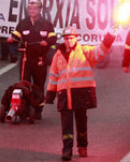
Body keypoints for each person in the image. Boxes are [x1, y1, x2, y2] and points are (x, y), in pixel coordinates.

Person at [45, 26, 114, 161]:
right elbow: (53, 75)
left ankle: (82, 146)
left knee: (81, 122)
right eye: (66, 38)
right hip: (64, 95)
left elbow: (100, 52)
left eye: (71, 38)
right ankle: (67, 150)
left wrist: (109, 37)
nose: (69, 41)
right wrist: (50, 94)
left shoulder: (84, 51)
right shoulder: (57, 55)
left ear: (76, 38)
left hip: (81, 94)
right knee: (66, 125)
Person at [7, 0, 56, 119]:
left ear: (40, 9)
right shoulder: (23, 23)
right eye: (30, 8)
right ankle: (23, 108)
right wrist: (12, 39)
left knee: (38, 86)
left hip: (40, 59)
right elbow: (16, 35)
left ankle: (38, 110)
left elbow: (53, 38)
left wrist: (47, 43)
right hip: (26, 59)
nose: (32, 10)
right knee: (23, 84)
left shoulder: (47, 24)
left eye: (35, 8)